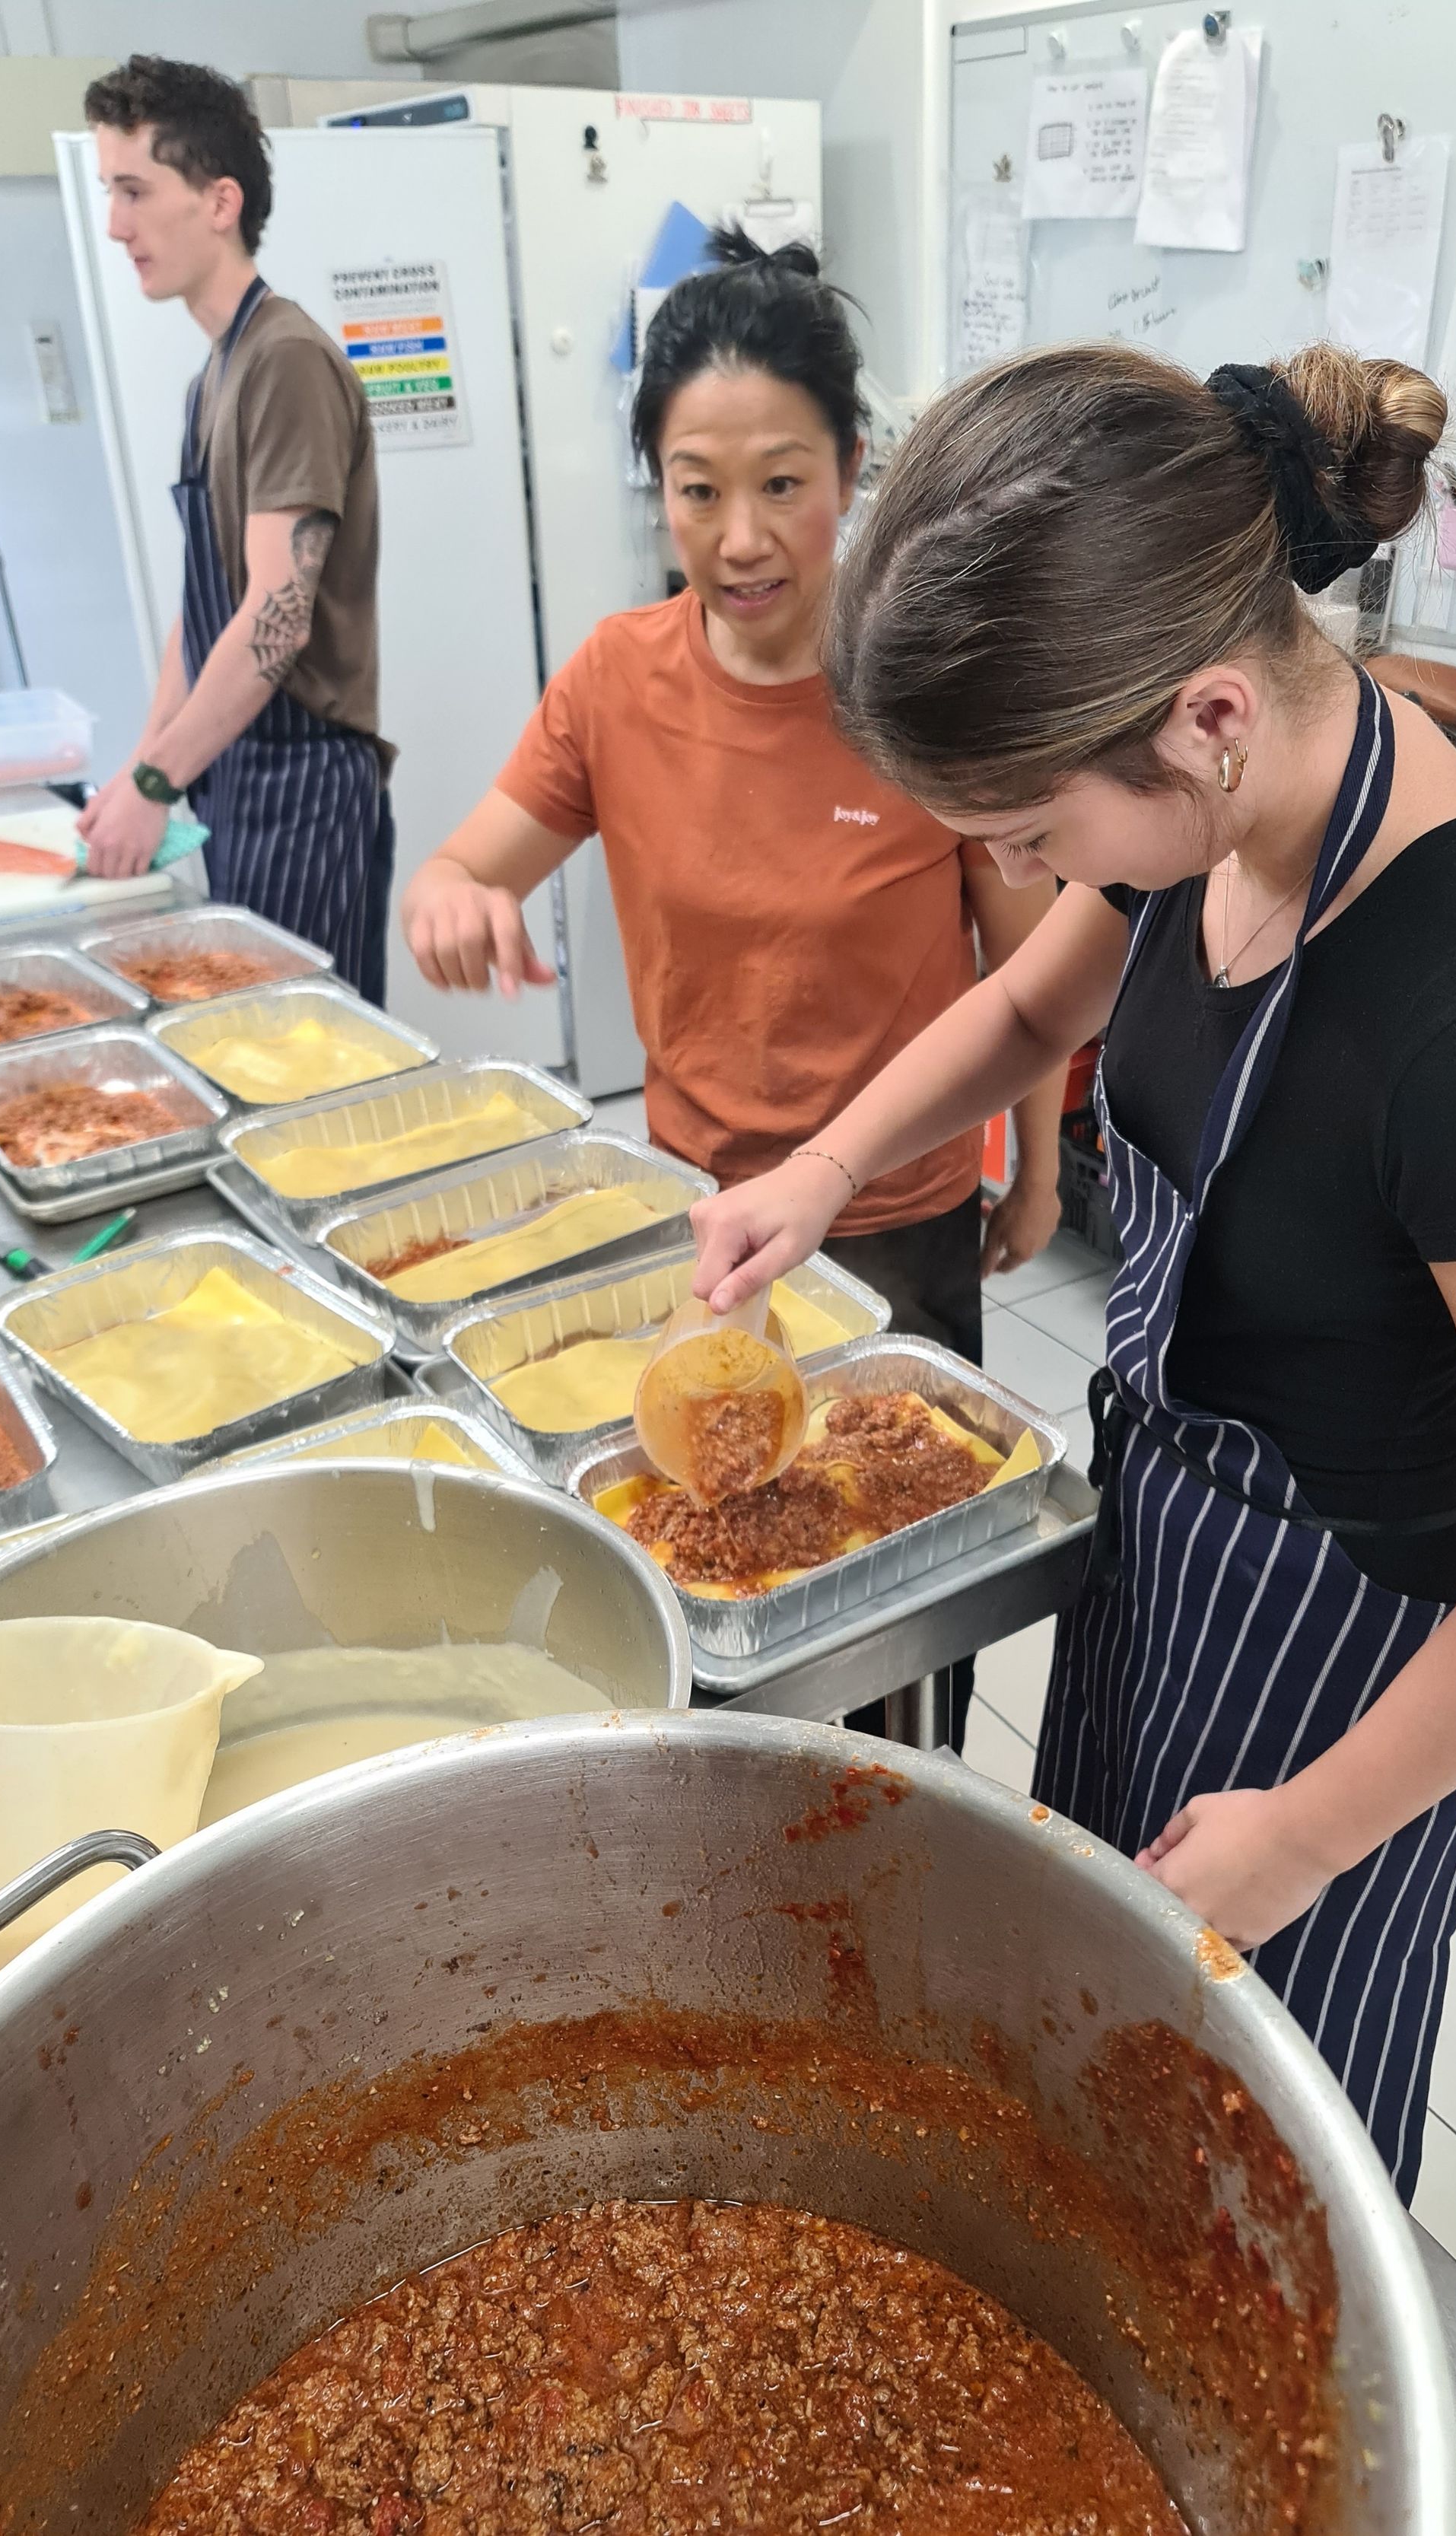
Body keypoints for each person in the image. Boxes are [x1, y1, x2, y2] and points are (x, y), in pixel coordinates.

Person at [691, 340, 1456, 2200]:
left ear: (1207, 715)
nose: (1025, 867)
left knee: (1255, 2143)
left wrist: (1302, 1835)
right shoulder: (1195, 816)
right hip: (1161, 1535)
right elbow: (1022, 1011)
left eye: (1030, 831)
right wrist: (819, 1172)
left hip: (1357, 1658)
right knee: (1099, 2044)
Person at [402, 233, 1065, 1673]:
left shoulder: (918, 692)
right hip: (696, 1222)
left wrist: (1038, 1167)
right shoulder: (615, 679)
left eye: (782, 484)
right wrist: (451, 897)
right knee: (716, 1585)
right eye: (699, 490)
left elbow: (1029, 975)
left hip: (891, 1214)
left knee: (896, 1595)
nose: (742, 537)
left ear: (852, 470)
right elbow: (463, 864)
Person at [78, 57, 395, 1002]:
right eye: (109, 193)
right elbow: (204, 609)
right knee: (250, 1044)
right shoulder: (215, 376)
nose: (115, 225)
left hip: (301, 784)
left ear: (220, 201)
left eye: (135, 191)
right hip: (237, 772)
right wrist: (142, 771)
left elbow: (275, 617)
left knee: (306, 1059)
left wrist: (155, 785)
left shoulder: (285, 361)